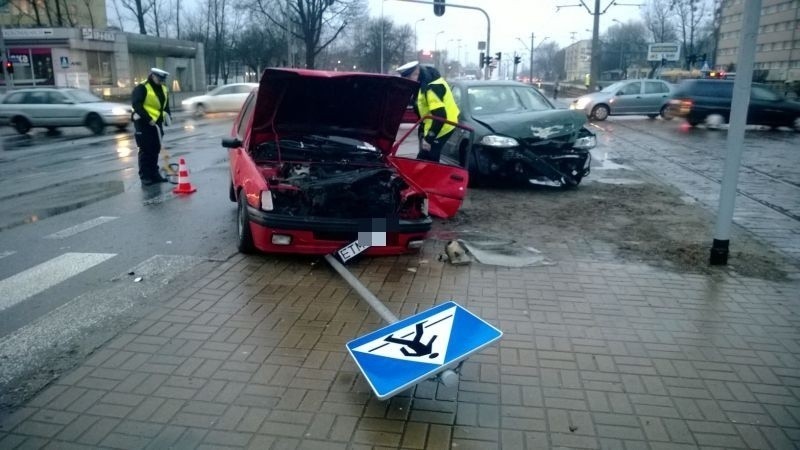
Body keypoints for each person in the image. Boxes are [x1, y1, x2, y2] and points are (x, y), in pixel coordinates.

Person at [397, 61, 460, 163]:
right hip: (431, 124)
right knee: (424, 157)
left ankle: (430, 177)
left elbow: (440, 116)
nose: (408, 82)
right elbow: (420, 106)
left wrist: (429, 139)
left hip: (443, 126)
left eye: (408, 78)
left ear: (416, 73)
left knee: (429, 158)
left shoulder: (431, 88)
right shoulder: (424, 83)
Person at [131, 68, 172, 185]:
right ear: (153, 76)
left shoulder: (163, 89)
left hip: (156, 124)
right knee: (145, 150)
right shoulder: (142, 87)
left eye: (162, 80)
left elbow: (165, 105)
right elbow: (136, 105)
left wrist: (168, 116)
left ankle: (154, 173)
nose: (161, 82)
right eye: (159, 79)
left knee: (155, 149)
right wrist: (148, 119)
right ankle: (145, 176)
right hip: (143, 123)